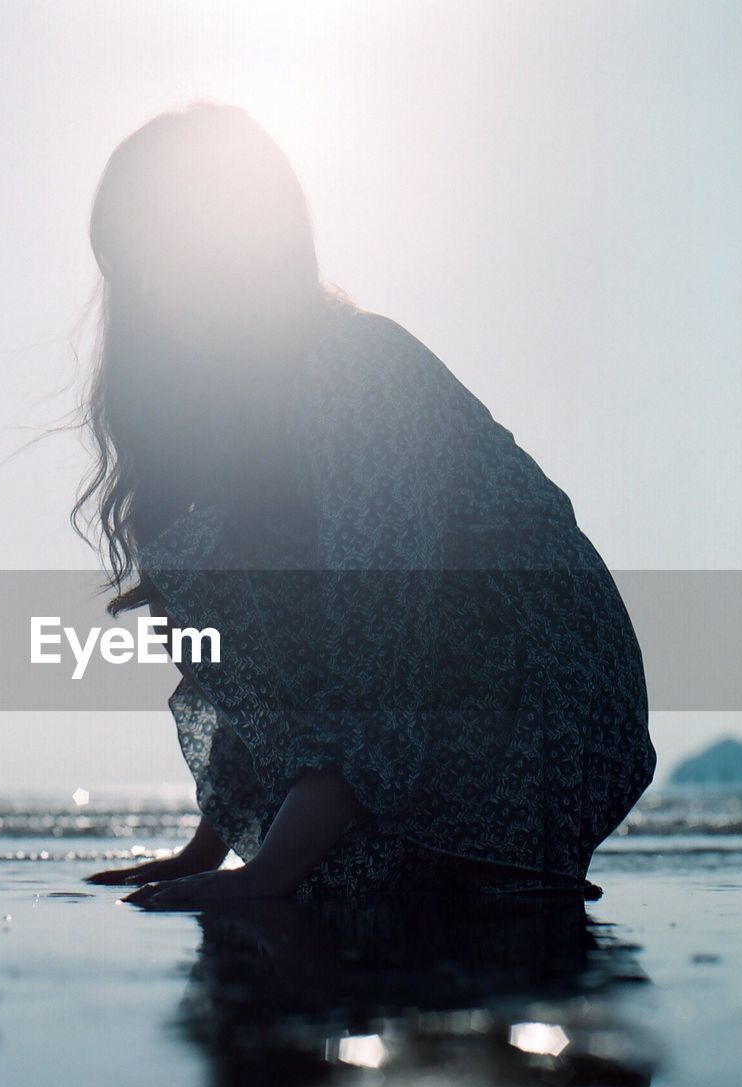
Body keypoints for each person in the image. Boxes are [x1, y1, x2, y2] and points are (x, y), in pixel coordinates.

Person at [77, 101, 656, 907]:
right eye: (129, 262)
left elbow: (379, 632)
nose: (149, 285)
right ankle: (372, 846)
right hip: (436, 695)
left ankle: (430, 851)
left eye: (165, 245)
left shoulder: (358, 367)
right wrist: (212, 846)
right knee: (202, 556)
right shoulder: (245, 421)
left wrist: (274, 870)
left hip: (549, 698)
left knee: (234, 561)